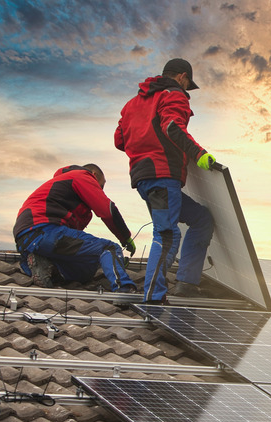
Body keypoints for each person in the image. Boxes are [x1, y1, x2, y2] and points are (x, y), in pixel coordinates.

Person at [115, 58, 216, 304]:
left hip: (143, 179)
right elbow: (172, 126)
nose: (186, 89)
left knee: (201, 218)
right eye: (187, 83)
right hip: (162, 176)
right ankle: (153, 296)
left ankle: (187, 283)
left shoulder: (132, 103)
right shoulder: (174, 94)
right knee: (168, 234)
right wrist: (199, 154)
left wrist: (143, 139)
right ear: (182, 77)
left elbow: (120, 140)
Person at [13, 164, 137, 292]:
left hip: (26, 239)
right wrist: (125, 238)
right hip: (44, 229)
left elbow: (74, 244)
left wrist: (113, 262)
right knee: (109, 248)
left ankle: (48, 267)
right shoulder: (81, 176)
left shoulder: (62, 187)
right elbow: (108, 211)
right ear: (94, 175)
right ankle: (123, 288)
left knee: (85, 272)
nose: (100, 190)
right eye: (101, 185)